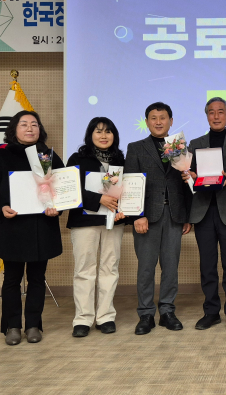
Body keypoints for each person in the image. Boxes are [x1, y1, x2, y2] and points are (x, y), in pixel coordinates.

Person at [0, 110, 63, 346]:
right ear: (14, 129)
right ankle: (12, 326)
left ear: (40, 129)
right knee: (11, 279)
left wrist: (58, 207)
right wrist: (0, 207)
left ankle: (34, 325)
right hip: (12, 227)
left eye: (34, 124)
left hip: (41, 227)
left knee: (37, 278)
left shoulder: (50, 156)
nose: (29, 128)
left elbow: (65, 188)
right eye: (24, 124)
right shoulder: (2, 157)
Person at [124, 102, 192, 335]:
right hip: (147, 217)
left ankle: (167, 311)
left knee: (171, 267)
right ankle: (145, 314)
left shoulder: (179, 147)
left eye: (163, 117)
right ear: (147, 122)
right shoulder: (135, 148)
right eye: (153, 118)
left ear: (171, 121)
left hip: (174, 215)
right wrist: (138, 215)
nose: (158, 121)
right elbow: (130, 184)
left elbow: (185, 185)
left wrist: (186, 216)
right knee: (146, 268)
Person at [183, 97, 226, 331]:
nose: (216, 116)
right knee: (207, 266)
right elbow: (188, 174)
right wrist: (188, 175)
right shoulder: (195, 143)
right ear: (207, 116)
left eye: (221, 112)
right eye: (211, 112)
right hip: (202, 211)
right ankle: (211, 312)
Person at [66, 117, 127, 338]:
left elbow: (127, 191)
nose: (104, 136)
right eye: (98, 131)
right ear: (90, 134)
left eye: (108, 131)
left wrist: (124, 209)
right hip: (85, 221)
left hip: (113, 221)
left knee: (109, 269)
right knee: (84, 270)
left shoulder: (121, 159)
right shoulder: (78, 158)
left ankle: (105, 317)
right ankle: (83, 319)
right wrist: (98, 200)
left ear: (114, 135)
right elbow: (68, 190)